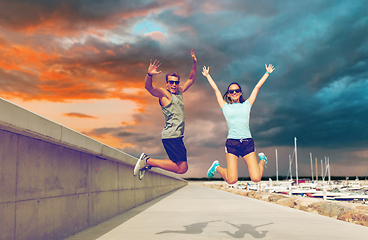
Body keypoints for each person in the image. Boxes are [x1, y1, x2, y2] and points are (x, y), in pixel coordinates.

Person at [202, 64, 275, 184]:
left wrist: (267, 73)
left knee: (256, 178)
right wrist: (208, 75)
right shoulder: (225, 107)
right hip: (232, 143)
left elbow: (257, 87)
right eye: (231, 91)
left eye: (237, 90)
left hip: (247, 142)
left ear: (240, 93)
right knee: (232, 180)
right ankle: (216, 167)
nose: (234, 92)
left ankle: (262, 160)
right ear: (229, 94)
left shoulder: (247, 105)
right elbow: (216, 90)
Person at [133, 50, 197, 179]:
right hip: (171, 136)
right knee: (182, 168)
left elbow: (191, 79)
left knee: (181, 167)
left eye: (176, 82)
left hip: (176, 136)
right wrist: (149, 75)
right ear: (167, 83)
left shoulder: (179, 92)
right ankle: (147, 161)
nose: (174, 84)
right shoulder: (164, 94)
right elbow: (149, 88)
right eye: (171, 82)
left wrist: (195, 63)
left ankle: (148, 163)